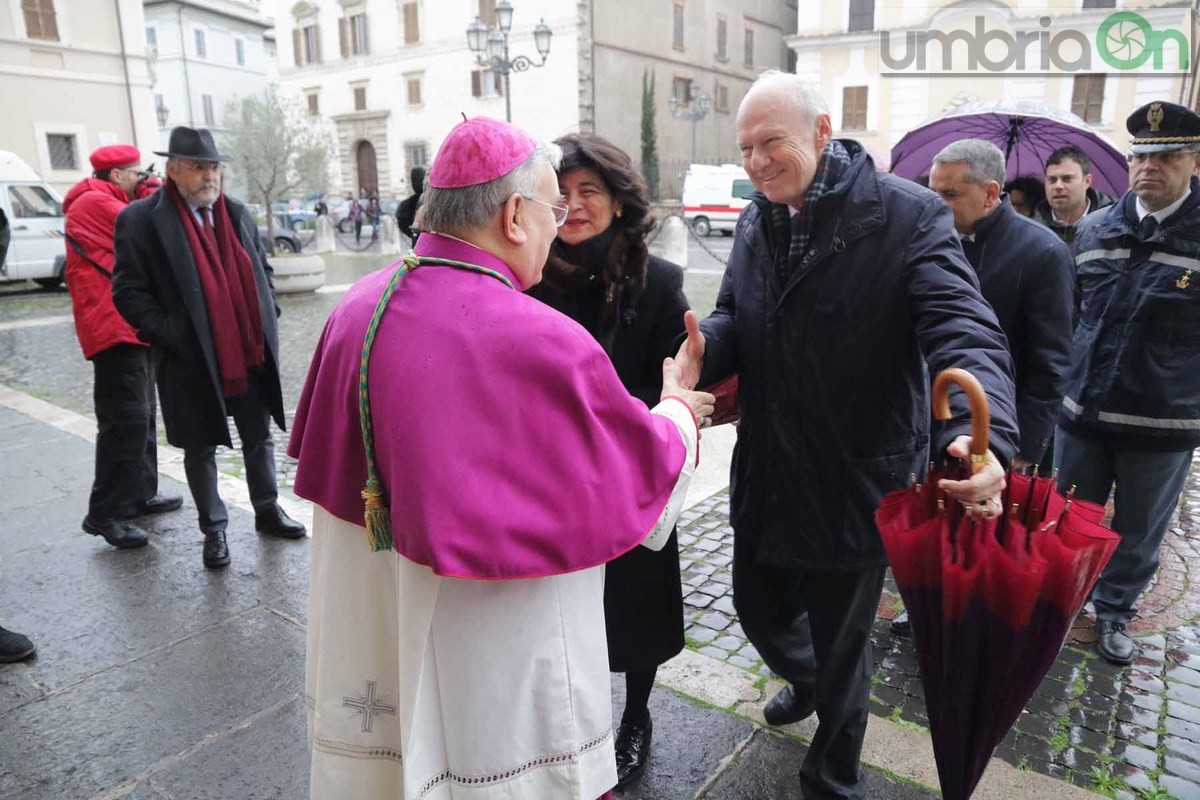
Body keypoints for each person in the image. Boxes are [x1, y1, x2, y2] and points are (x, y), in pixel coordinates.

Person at [288, 115, 714, 799]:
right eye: (550, 208)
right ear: (516, 214)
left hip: (379, 597)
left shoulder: (355, 309)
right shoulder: (542, 336)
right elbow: (638, 465)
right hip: (493, 634)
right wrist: (678, 408)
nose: (558, 223)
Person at [673, 71, 1019, 799]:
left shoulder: (910, 215)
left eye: (773, 143)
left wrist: (984, 438)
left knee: (842, 641)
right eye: (746, 148)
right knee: (757, 607)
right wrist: (709, 343)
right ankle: (809, 682)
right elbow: (739, 311)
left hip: (857, 473)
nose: (757, 162)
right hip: (769, 464)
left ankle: (833, 771)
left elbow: (965, 327)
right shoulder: (756, 216)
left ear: (823, 132)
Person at [525, 132, 689, 788]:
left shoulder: (661, 284)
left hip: (629, 475)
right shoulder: (528, 278)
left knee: (636, 606)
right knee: (561, 608)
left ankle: (637, 715)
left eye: (589, 190)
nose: (574, 204)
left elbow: (673, 381)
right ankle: (570, 712)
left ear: (619, 201)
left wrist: (617, 417)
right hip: (550, 478)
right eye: (560, 194)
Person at [891, 140, 1074, 636]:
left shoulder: (1043, 253)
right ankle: (930, 601)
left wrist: (1019, 451)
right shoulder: (926, 240)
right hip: (935, 420)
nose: (936, 204)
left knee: (990, 533)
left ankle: (981, 618)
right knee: (937, 520)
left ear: (991, 192)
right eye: (933, 192)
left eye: (949, 194)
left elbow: (1051, 366)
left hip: (1002, 432)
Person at [112, 126, 306, 570]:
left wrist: (267, 308)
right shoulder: (141, 220)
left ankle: (267, 509)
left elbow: (263, 266)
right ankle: (214, 529)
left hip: (247, 351)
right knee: (200, 448)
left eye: (214, 167)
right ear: (174, 170)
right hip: (191, 360)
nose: (209, 177)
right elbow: (127, 293)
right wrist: (171, 332)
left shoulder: (236, 212)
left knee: (258, 436)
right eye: (199, 167)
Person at [1056, 101, 1200, 666]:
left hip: (1160, 421)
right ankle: (1062, 603)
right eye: (1141, 155)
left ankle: (1114, 611)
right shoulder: (1095, 228)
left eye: (1166, 157)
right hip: (1083, 412)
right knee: (1071, 519)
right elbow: (1072, 316)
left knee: (1138, 531)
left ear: (1194, 162)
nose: (1149, 168)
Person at [62, 144, 182, 550]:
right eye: (137, 173)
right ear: (115, 176)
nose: (142, 180)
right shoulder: (94, 203)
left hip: (128, 326)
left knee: (143, 414)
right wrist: (155, 189)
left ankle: (140, 493)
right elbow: (153, 226)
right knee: (124, 419)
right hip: (111, 328)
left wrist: (145, 185)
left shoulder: (106, 197)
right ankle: (106, 513)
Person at [1033, 145, 1113, 244]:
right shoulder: (1032, 230)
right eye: (1052, 180)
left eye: (1067, 179)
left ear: (1087, 181)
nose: (1058, 186)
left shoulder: (1114, 221)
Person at [396, 166, 425, 244]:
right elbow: (402, 224)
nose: (417, 184)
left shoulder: (406, 205)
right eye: (415, 181)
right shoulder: (407, 205)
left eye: (420, 180)